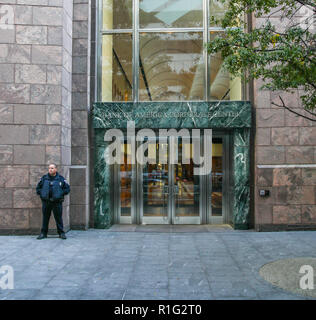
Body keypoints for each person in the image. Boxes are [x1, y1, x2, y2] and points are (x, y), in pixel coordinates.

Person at [36, 164, 70, 240]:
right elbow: (38, 188)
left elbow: (67, 189)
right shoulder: (44, 178)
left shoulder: (61, 179)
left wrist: (60, 193)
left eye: (52, 168)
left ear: (56, 169)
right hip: (46, 202)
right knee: (45, 218)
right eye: (49, 168)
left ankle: (61, 233)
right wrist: (42, 194)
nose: (50, 169)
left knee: (58, 218)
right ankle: (43, 233)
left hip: (57, 202)